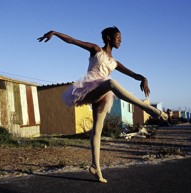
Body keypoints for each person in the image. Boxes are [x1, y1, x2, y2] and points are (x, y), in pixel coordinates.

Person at [37, 27, 168, 183]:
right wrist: (55, 33)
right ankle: (147, 108)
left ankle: (96, 168)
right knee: (111, 82)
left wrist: (143, 78)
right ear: (108, 37)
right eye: (118, 37)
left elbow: (133, 75)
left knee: (97, 131)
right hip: (90, 89)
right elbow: (72, 40)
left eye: (121, 38)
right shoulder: (96, 49)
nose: (120, 41)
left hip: (103, 95)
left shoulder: (114, 62)